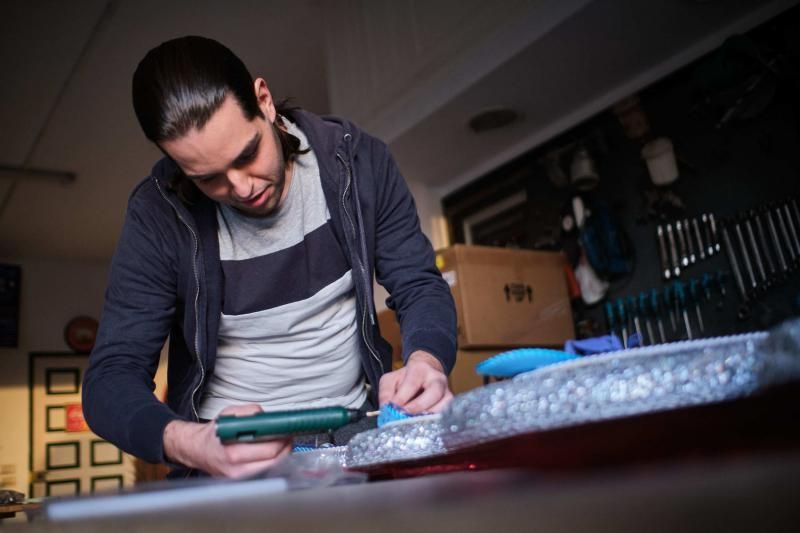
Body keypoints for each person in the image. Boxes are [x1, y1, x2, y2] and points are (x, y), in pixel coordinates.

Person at [82, 35, 457, 478]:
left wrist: (426, 362)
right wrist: (191, 443)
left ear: (264, 101)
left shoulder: (359, 163)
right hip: (224, 460)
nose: (242, 188)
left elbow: (419, 285)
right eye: (208, 179)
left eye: (247, 154)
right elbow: (111, 378)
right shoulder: (156, 217)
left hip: (358, 433)